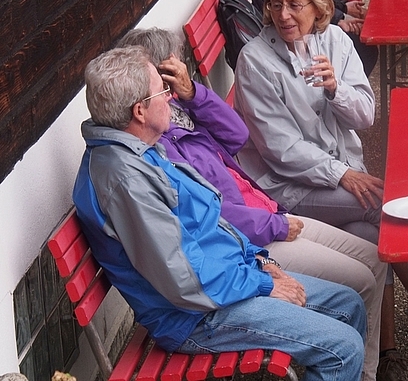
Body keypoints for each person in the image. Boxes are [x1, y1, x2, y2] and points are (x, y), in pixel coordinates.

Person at [235, 0, 408, 381]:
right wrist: (341, 175)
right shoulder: (256, 60)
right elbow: (280, 150)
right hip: (286, 188)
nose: (284, 15)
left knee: (372, 238)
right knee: (385, 207)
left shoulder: (334, 41)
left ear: (317, 6)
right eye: (276, 5)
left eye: (295, 5)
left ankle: (384, 357)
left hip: (338, 175)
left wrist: (336, 89)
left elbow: (366, 114)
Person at [72, 46, 366, 381]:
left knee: (349, 303)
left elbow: (210, 220)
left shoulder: (139, 150)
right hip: (196, 317)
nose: (170, 98)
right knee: (343, 350)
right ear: (139, 111)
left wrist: (261, 260)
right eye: (163, 92)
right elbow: (182, 279)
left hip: (226, 283)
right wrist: (261, 284)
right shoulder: (125, 180)